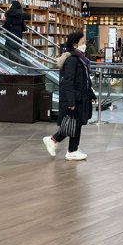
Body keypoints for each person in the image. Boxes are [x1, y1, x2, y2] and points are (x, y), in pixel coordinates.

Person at [43, 32, 95, 161]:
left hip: (81, 96)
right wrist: (71, 101)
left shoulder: (80, 58)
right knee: (74, 123)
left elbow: (85, 80)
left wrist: (91, 94)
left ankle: (71, 149)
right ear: (75, 44)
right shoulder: (72, 60)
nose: (85, 45)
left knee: (77, 123)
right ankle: (56, 141)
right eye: (83, 43)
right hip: (75, 98)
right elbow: (68, 82)